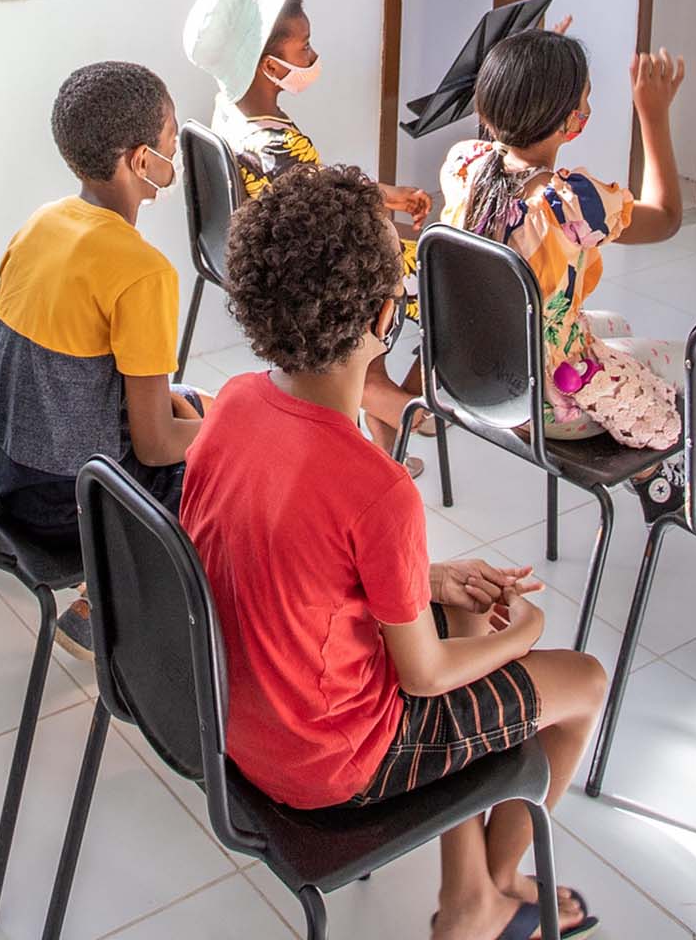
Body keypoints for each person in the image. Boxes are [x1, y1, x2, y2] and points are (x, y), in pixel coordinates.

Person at [183, 163, 608, 940]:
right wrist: (528, 632)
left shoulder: (234, 403)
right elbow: (425, 675)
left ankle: (472, 897)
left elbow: (293, 568)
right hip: (333, 766)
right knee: (581, 682)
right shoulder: (378, 487)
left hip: (234, 724)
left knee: (458, 617)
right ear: (386, 317)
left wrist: (436, 581)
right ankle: (495, 887)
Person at [0, 61, 205, 659]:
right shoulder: (144, 271)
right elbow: (155, 446)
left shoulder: (41, 224)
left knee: (197, 406)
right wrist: (232, 430)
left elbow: (75, 379)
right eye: (170, 139)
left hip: (4, 476)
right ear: (139, 162)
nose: (174, 151)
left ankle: (101, 595)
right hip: (69, 504)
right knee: (230, 456)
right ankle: (117, 605)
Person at [181, 0, 433, 464]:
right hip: (317, 272)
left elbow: (316, 186)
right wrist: (385, 215)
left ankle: (383, 444)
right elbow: (326, 208)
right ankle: (412, 411)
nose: (313, 58)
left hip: (278, 256)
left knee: (375, 329)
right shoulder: (273, 145)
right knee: (447, 281)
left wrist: (387, 197)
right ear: (267, 64)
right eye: (305, 46)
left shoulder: (232, 115)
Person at [439, 29, 689, 462]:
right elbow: (666, 217)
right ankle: (654, 479)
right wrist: (653, 114)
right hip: (548, 400)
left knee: (617, 323)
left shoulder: (464, 164)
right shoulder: (572, 205)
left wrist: (528, 70)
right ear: (566, 121)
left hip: (473, 371)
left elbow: (503, 135)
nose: (587, 110)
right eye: (584, 100)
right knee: (679, 362)